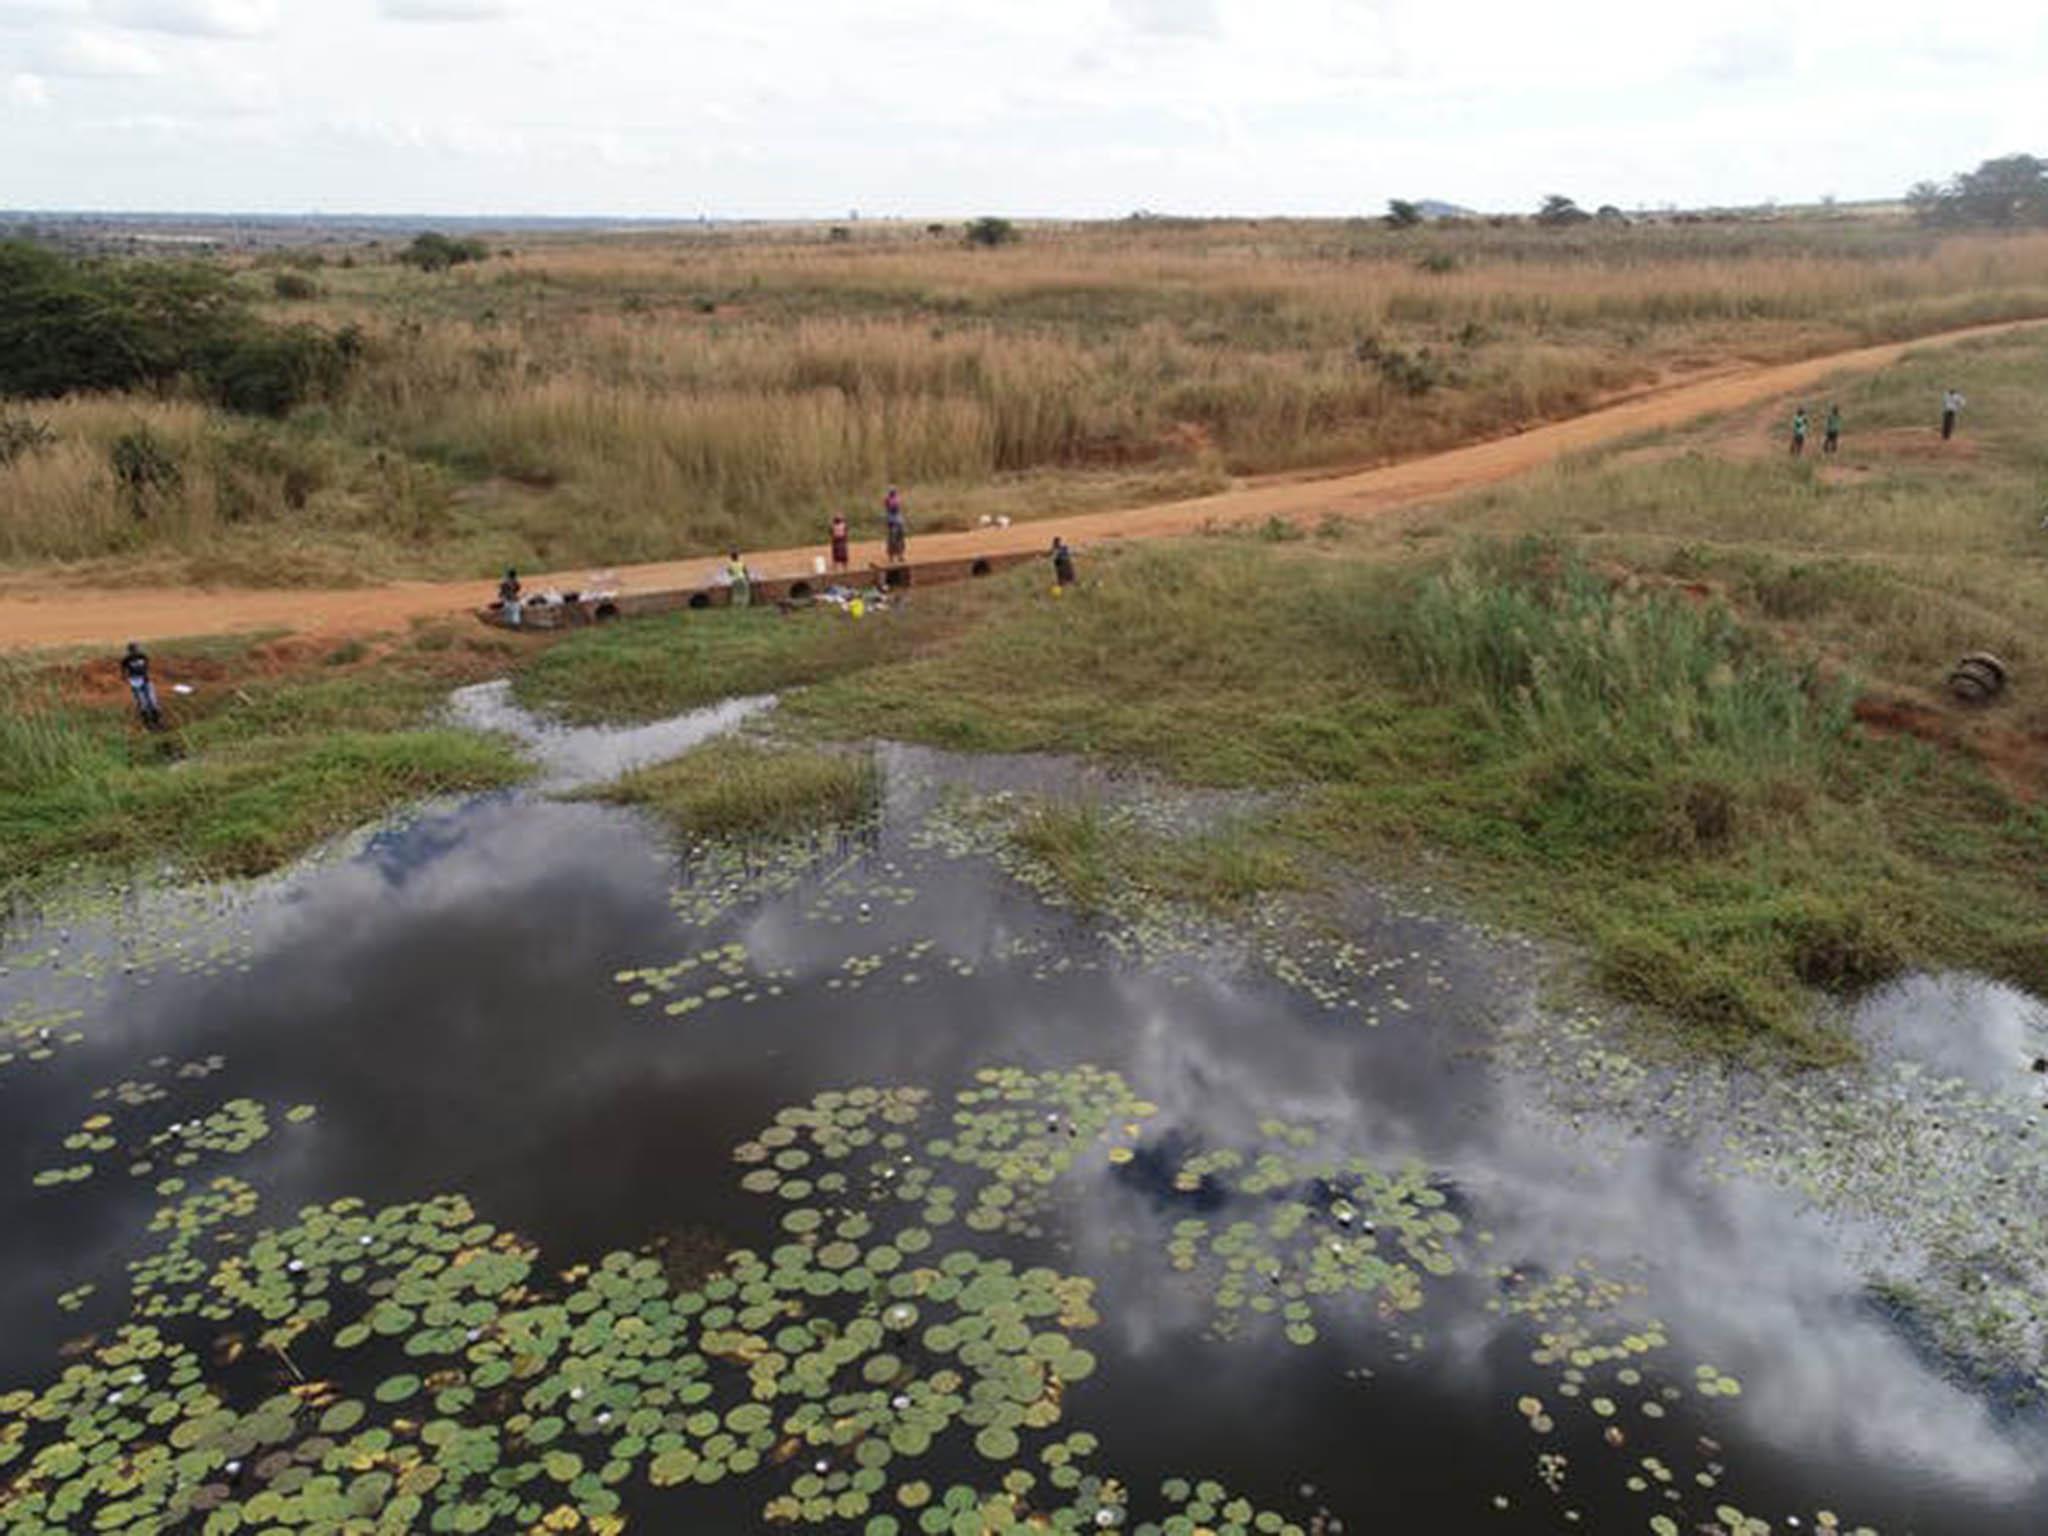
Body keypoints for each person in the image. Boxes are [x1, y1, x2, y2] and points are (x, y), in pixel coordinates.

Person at [121, 641, 163, 731]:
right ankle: (148, 723)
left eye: (136, 649)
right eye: (133, 649)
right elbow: (123, 671)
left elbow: (146, 667)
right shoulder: (126, 660)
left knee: (152, 701)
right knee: (142, 703)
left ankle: (158, 721)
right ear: (130, 650)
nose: (135, 651)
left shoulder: (143, 657)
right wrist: (127, 678)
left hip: (145, 681)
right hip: (135, 683)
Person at [884, 492, 908, 563]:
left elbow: (894, 506)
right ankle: (894, 557)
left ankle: (898, 556)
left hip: (897, 523)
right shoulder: (891, 501)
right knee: (894, 540)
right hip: (894, 523)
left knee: (898, 540)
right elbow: (890, 505)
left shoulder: (894, 501)